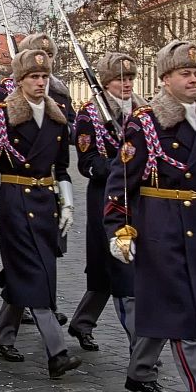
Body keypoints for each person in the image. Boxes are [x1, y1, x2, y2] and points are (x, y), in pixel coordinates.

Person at [104, 39, 196, 392]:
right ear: (165, 79)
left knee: (174, 306)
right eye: (185, 73)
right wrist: (117, 228)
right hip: (161, 227)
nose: (193, 78)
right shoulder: (146, 122)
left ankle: (140, 370)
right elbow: (121, 179)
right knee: (182, 317)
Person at [0, 48, 80, 378]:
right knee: (35, 273)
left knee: (31, 271)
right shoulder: (2, 115)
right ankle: (57, 351)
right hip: (15, 200)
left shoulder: (57, 118)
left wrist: (67, 202)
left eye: (44, 76)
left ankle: (1, 336)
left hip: (45, 201)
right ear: (19, 81)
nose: (39, 82)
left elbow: (61, 167)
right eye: (33, 77)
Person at [68, 52, 146, 352]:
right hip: (106, 198)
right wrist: (121, 164)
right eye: (119, 79)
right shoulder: (90, 115)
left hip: (138, 198)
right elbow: (87, 163)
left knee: (109, 271)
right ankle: (140, 347)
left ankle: (82, 322)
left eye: (130, 78)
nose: (126, 84)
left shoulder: (143, 111)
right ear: (106, 82)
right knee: (122, 269)